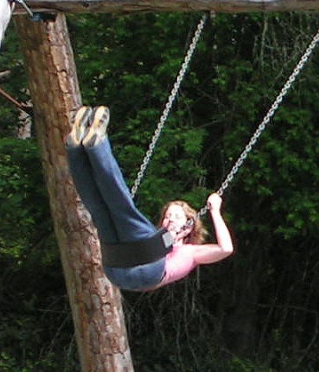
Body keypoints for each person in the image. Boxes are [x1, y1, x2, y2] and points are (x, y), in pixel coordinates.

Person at [65, 105, 234, 291]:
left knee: (121, 208)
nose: (170, 219)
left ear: (189, 226)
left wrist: (215, 211)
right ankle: (75, 147)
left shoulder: (191, 252)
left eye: (177, 216)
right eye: (168, 216)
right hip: (120, 268)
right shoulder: (157, 239)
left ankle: (97, 145)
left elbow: (226, 249)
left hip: (139, 268)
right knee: (98, 208)